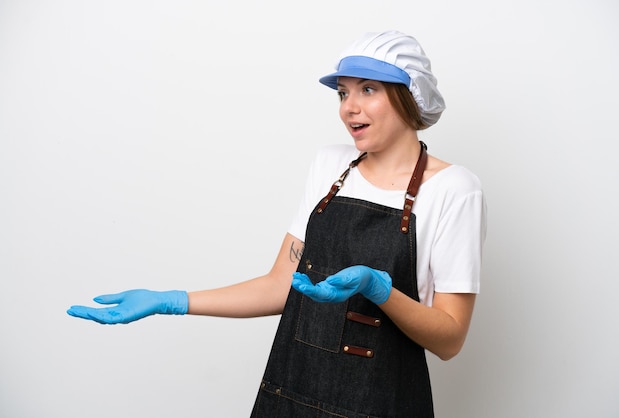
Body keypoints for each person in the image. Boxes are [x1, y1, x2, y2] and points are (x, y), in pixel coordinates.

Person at [67, 30, 487, 417]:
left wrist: (380, 290)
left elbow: (449, 340)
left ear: (410, 96)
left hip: (381, 404)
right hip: (291, 391)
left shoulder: (454, 189)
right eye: (342, 93)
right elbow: (279, 285)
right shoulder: (331, 166)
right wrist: (173, 300)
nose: (348, 108)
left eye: (368, 90)